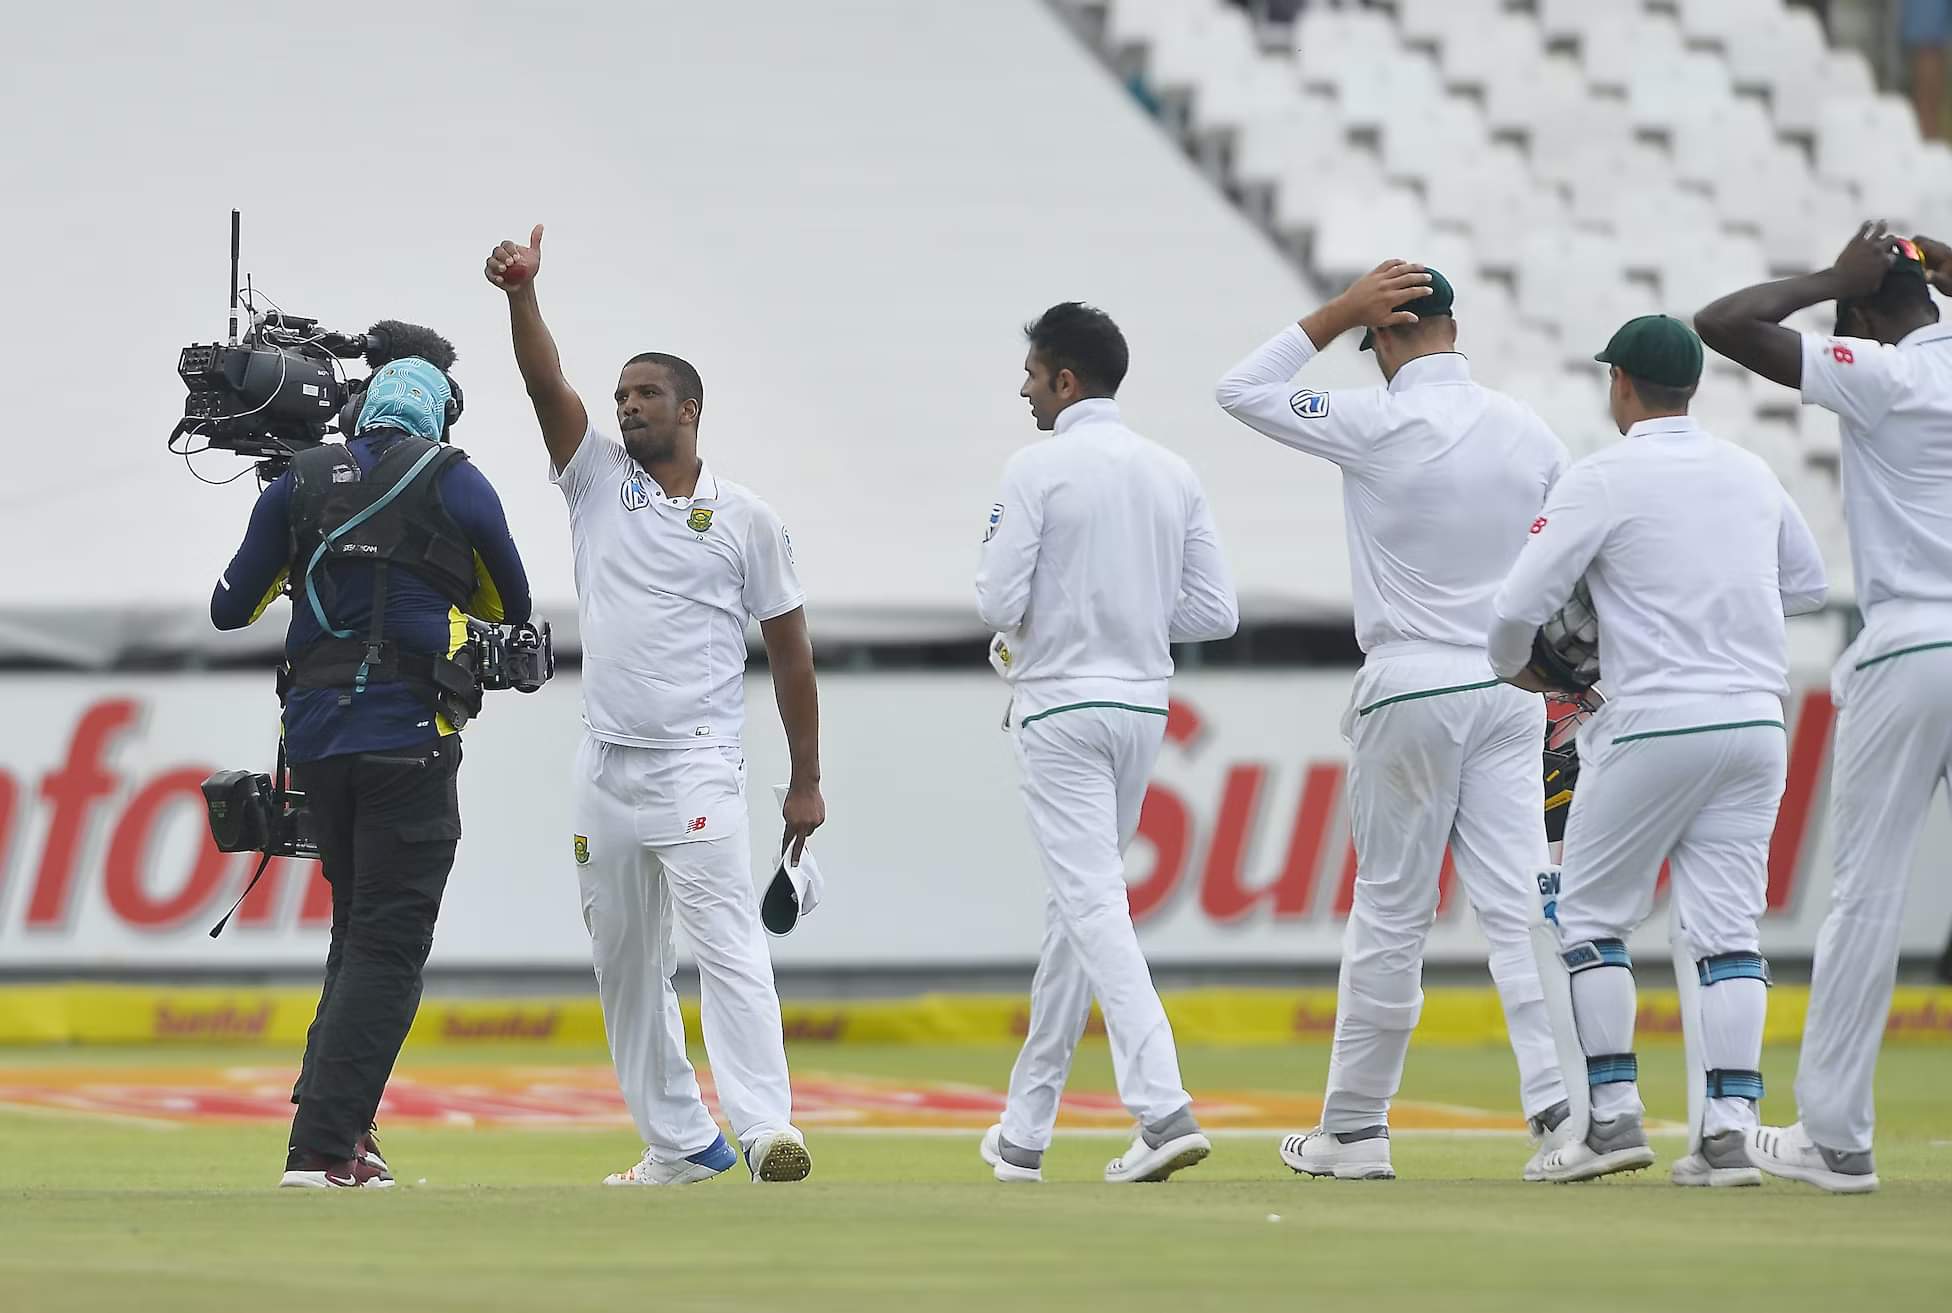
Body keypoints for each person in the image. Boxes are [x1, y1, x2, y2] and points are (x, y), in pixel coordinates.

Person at [1215, 261, 1572, 1182]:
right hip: (1511, 688)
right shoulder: (1528, 429)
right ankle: (1569, 1112)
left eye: (1369, 337)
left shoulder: (1377, 420)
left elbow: (1240, 389)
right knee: (1524, 901)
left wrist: (1333, 313)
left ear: (1386, 335)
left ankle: (1357, 1130)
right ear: (1454, 327)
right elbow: (1566, 565)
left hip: (1413, 682)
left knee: (1391, 911)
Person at [484, 225, 822, 1186]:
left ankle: (767, 1129)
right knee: (625, 967)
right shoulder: (595, 482)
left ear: (691, 408)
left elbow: (792, 656)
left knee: (727, 946)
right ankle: (680, 1143)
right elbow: (548, 387)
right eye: (622, 395)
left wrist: (806, 781)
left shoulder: (748, 518)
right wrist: (521, 296)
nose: (628, 407)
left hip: (698, 764)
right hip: (607, 764)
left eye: (646, 395)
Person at [1491, 314, 1827, 1186]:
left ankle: (1610, 1119)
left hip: (1649, 720)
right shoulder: (1750, 471)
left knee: (1591, 919)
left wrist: (1523, 673)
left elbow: (1516, 605)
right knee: (1726, 934)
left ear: (1623, 384)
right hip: (1755, 722)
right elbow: (1809, 582)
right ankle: (1728, 1130)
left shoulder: (1602, 476)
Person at [212, 334, 532, 1189]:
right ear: (438, 414)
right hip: (409, 737)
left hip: (316, 741)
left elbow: (228, 608)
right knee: (388, 946)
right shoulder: (458, 479)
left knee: (356, 933)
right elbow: (514, 605)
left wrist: (308, 559)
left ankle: (336, 1136)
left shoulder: (299, 483)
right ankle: (322, 1151)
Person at [1695, 221, 1952, 1193]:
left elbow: (1721, 322)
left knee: (1866, 894)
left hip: (1908, 644)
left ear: (1858, 314)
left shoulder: (1876, 371)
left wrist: (1825, 280)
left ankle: (1834, 1138)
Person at [976, 302, 1238, 1185]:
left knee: (1092, 904)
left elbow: (994, 600)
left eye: (1033, 374)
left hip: (1059, 706)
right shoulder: (1173, 471)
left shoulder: (1036, 466)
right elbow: (1215, 612)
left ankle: (1163, 1108)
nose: (1024, 389)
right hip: (1141, 706)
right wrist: (1126, 611)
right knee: (1075, 911)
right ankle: (1024, 1128)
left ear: (1066, 379)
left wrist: (1075, 618)